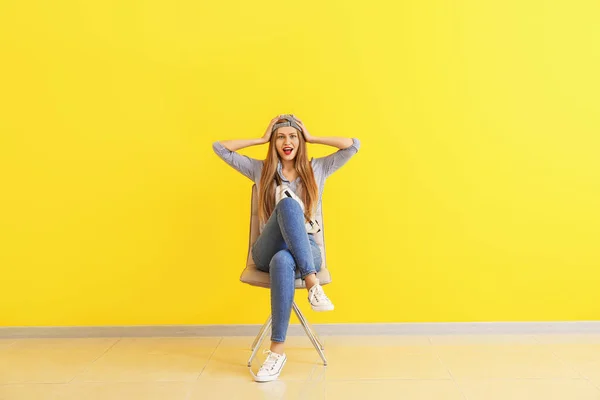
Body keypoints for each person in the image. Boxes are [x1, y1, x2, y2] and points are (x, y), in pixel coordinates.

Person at [212, 114, 360, 382]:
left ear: (300, 140)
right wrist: (260, 138)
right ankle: (313, 284)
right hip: (264, 251)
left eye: (293, 136)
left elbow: (353, 145)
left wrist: (312, 136)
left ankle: (276, 353)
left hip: (306, 250)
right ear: (274, 141)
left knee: (283, 259)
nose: (287, 142)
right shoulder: (262, 169)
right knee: (288, 205)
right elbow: (220, 148)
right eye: (280, 137)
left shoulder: (318, 169)